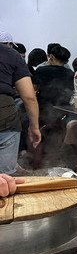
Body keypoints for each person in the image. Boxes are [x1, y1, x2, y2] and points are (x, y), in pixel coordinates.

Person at [0, 43, 41, 173]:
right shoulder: (11, 54)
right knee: (6, 178)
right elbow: (29, 97)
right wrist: (34, 127)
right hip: (4, 116)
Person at [33, 45, 74, 126]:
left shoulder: (41, 70)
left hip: (43, 109)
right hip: (63, 110)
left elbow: (33, 89)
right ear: (66, 61)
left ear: (51, 56)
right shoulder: (70, 73)